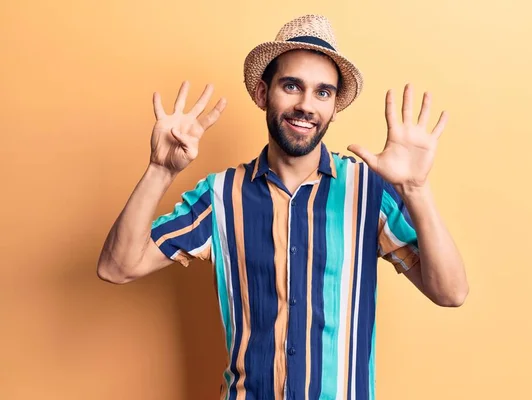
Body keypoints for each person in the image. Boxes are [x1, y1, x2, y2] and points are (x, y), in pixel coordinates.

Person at [97, 14, 468, 400]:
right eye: (292, 86)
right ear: (262, 93)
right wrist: (159, 171)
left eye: (323, 93)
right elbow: (116, 267)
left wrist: (415, 189)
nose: (306, 105)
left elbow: (451, 292)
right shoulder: (221, 196)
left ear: (335, 107)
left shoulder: (369, 190)